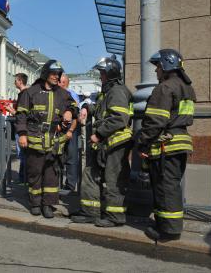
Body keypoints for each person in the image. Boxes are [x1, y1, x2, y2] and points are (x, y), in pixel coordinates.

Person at [138, 49, 196, 241]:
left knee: (165, 187)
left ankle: (169, 231)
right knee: (171, 186)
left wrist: (143, 142)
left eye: (157, 67)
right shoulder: (186, 87)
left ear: (165, 66)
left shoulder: (164, 88)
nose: (156, 71)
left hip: (166, 146)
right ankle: (164, 222)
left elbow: (155, 121)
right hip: (180, 143)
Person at [71, 55, 133, 227]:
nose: (100, 76)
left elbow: (119, 118)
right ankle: (90, 212)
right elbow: (98, 109)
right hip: (105, 143)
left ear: (110, 73)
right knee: (90, 174)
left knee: (114, 179)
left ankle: (116, 217)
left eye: (102, 73)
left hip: (115, 143)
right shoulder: (107, 92)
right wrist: (85, 108)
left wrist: (98, 134)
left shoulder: (117, 91)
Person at [15, 60, 78, 218]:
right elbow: (21, 114)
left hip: (54, 141)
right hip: (34, 139)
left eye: (58, 74)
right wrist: (22, 134)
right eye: (53, 73)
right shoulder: (31, 92)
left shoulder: (63, 93)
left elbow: (74, 105)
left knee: (51, 173)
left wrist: (71, 111)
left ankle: (48, 204)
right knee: (35, 172)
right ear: (45, 73)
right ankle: (35, 203)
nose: (56, 77)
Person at [4, 73, 28, 183]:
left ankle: (23, 178)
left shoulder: (24, 94)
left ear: (20, 81)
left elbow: (21, 114)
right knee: (23, 154)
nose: (14, 82)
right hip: (23, 127)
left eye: (15, 80)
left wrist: (11, 110)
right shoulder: (26, 93)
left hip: (22, 128)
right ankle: (23, 177)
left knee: (22, 154)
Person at [58, 74, 80, 191]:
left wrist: (71, 130)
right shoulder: (57, 94)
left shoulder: (72, 95)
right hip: (60, 129)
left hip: (71, 129)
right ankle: (57, 184)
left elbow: (76, 115)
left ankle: (70, 185)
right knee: (58, 156)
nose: (58, 84)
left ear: (65, 83)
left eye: (60, 82)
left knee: (71, 158)